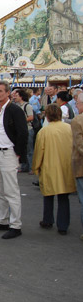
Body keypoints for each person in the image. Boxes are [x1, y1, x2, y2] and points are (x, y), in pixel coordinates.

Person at [0, 80, 28, 239]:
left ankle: (16, 225)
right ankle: (2, 220)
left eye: (0, 91)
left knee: (11, 191)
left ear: (8, 93)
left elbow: (23, 132)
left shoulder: (14, 110)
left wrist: (18, 153)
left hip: (8, 153)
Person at [32, 104, 75, 235]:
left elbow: (39, 151)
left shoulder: (44, 131)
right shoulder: (69, 128)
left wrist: (36, 167)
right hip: (66, 165)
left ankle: (48, 220)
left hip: (49, 166)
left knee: (48, 195)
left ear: (47, 116)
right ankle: (63, 225)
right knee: (63, 196)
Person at [70, 92, 83, 241]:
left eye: (78, 104)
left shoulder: (78, 120)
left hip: (80, 165)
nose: (77, 107)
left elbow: (79, 145)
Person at [12, 88, 34, 173]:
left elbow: (31, 117)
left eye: (16, 95)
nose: (14, 97)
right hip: (20, 130)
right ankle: (25, 166)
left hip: (28, 129)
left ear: (21, 96)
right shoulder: (17, 106)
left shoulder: (27, 106)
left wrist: (20, 121)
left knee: (29, 149)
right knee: (23, 149)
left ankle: (31, 167)